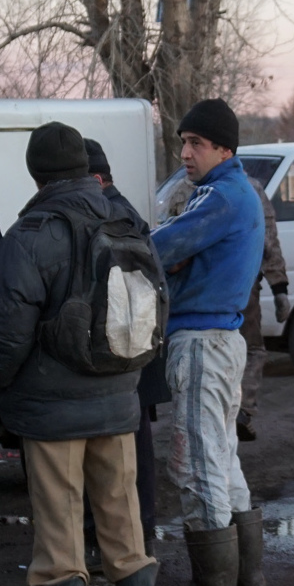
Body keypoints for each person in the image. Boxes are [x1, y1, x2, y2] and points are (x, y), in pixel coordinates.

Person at [0, 124, 159, 586]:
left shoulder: (31, 234)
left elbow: (7, 330)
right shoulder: (125, 220)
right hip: (118, 395)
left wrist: (1, 384)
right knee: (121, 509)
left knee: (59, 513)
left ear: (37, 172)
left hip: (51, 405)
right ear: (85, 167)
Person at [149, 99, 267, 586]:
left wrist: (124, 244)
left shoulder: (220, 198)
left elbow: (163, 245)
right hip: (222, 341)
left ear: (225, 148)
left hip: (201, 341)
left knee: (197, 464)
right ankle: (247, 581)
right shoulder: (234, 194)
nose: (185, 152)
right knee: (222, 460)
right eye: (183, 142)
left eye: (196, 143)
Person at [160, 164, 285, 442]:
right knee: (251, 349)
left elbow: (167, 235)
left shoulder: (182, 190)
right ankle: (241, 409)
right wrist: (280, 285)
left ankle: (231, 411)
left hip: (195, 297)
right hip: (240, 284)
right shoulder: (246, 190)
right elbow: (268, 239)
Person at [84, 138, 162, 554]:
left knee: (131, 451)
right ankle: (138, 531)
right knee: (134, 446)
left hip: (125, 349)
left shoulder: (113, 215)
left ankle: (133, 534)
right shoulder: (123, 209)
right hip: (136, 348)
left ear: (97, 178)